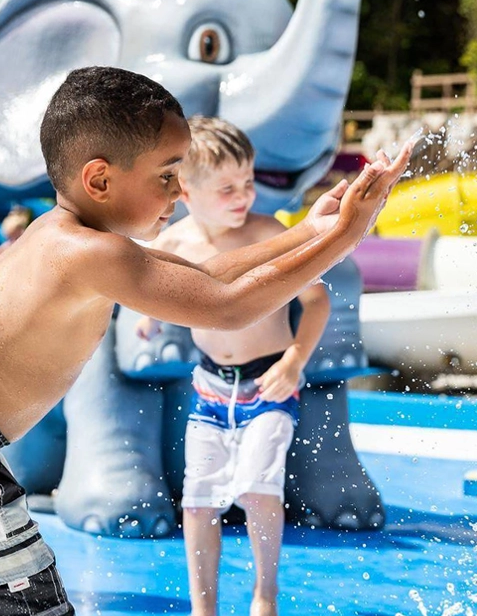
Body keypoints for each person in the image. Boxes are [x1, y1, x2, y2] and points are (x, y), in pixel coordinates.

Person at [0, 66, 411, 616]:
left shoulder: (63, 237)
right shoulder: (94, 253)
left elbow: (210, 274)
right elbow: (228, 307)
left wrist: (309, 232)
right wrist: (346, 236)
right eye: (167, 175)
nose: (178, 191)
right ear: (99, 180)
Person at [134, 116, 330, 616]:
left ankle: (265, 595)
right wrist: (148, 319)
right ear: (186, 190)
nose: (244, 196)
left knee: (257, 488)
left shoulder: (268, 233)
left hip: (270, 382)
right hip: (209, 388)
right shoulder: (173, 244)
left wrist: (295, 359)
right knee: (199, 502)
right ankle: (205, 608)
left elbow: (317, 301)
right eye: (227, 188)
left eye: (247, 182)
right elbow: (147, 285)